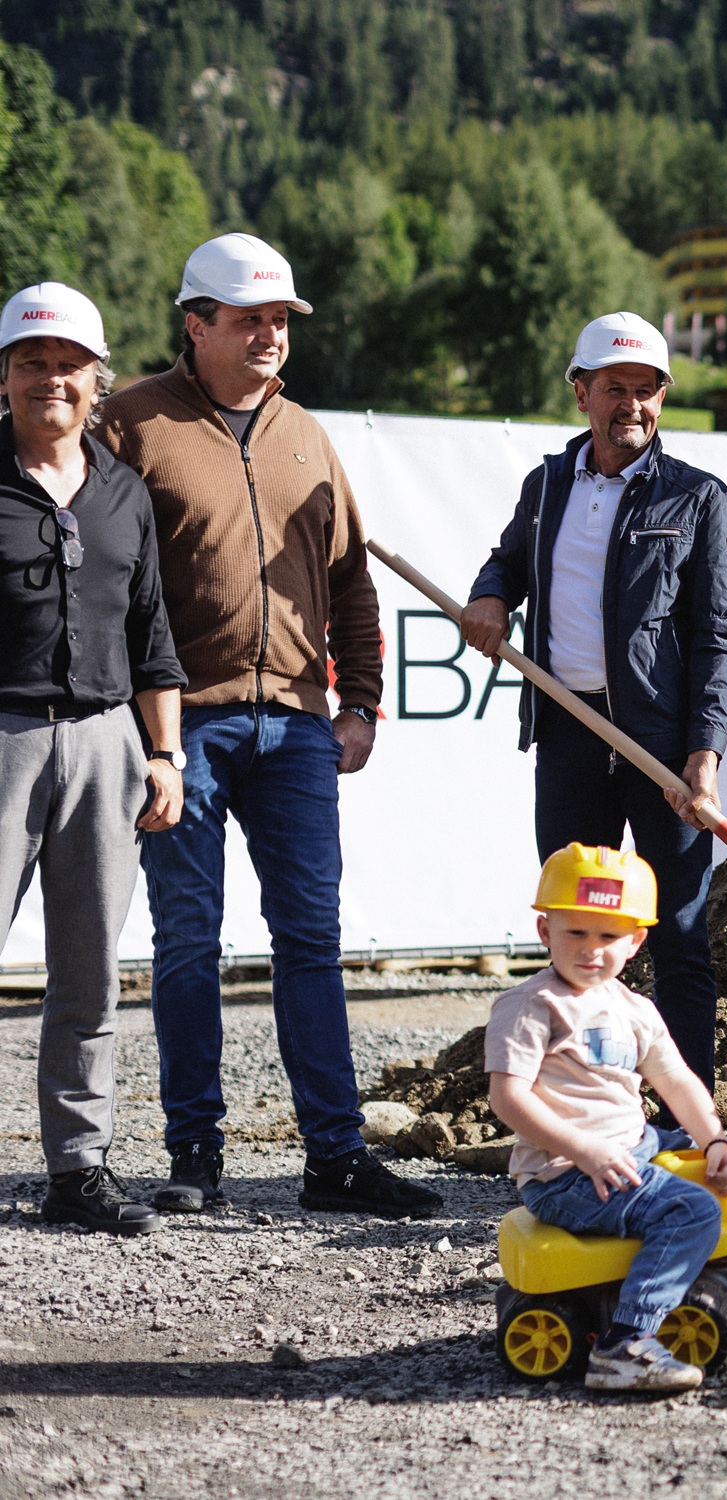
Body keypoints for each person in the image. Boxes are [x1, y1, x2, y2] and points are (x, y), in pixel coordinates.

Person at [96, 233, 439, 1218]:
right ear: (194, 324)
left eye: (281, 319)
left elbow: (351, 586)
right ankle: (194, 1154)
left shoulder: (307, 435)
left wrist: (362, 702)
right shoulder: (129, 425)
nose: (270, 335)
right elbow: (103, 580)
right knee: (189, 939)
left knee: (310, 940)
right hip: (181, 725)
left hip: (295, 726)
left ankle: (335, 1159)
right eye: (249, 319)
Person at [461, 312, 727, 1094]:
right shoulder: (547, 485)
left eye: (647, 390)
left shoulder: (699, 499)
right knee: (573, 933)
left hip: (660, 747)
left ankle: (684, 1116)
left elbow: (720, 638)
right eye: (615, 388)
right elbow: (508, 562)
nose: (632, 405)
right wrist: (490, 597)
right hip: (570, 739)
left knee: (680, 934)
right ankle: (580, 1105)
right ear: (581, 391)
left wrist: (703, 755)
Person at [0, 284, 185, 1235]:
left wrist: (167, 755)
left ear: (96, 379)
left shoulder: (124, 492)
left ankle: (77, 1171)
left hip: (111, 741)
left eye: (69, 364)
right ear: (4, 377)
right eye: (32, 363)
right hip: (4, 738)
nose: (51, 380)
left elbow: (153, 636)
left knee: (89, 973)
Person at [485, 844, 727, 1394]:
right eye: (576, 933)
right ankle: (626, 1342)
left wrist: (714, 1140)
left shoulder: (634, 1008)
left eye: (608, 937)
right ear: (544, 929)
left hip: (628, 1142)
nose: (591, 950)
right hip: (566, 1173)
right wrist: (584, 1149)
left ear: (636, 941)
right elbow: (508, 1099)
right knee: (692, 1210)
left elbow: (676, 1081)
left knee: (691, 1153)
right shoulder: (532, 1006)